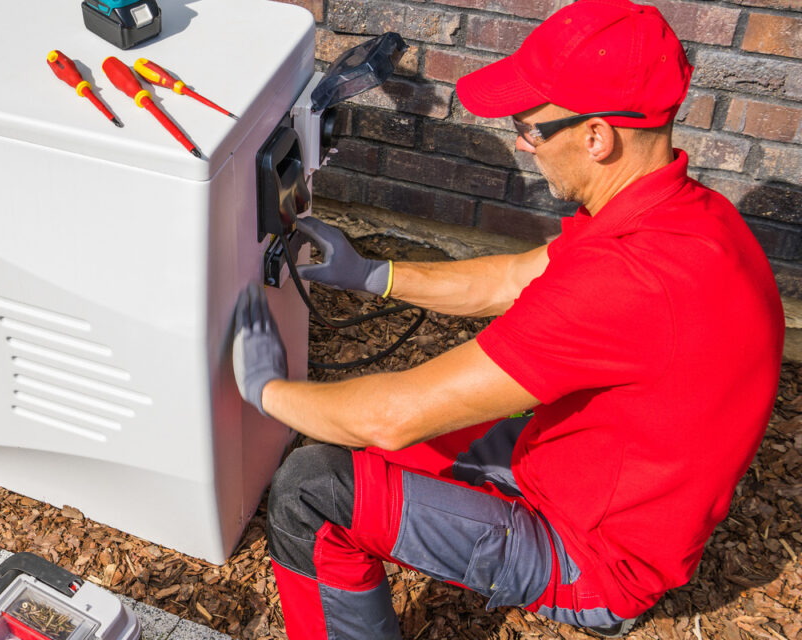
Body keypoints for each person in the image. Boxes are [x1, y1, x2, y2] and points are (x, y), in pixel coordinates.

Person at [229, 0, 785, 638]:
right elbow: (517, 277)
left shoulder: (630, 280)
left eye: (530, 127)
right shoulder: (685, 216)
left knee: (309, 489)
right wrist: (373, 275)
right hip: (577, 469)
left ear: (597, 135)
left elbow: (389, 418)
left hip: (594, 557)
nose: (523, 144)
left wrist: (265, 391)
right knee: (366, 435)